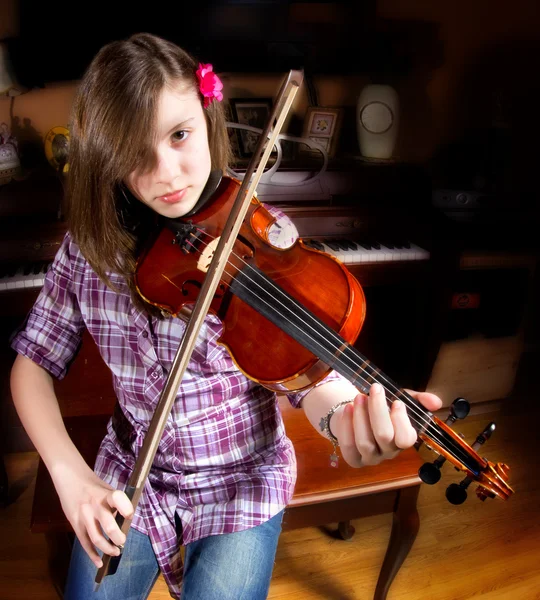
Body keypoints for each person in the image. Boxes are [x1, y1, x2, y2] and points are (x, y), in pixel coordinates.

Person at [9, 33, 442, 600]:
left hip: (243, 480)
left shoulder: (259, 232)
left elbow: (304, 375)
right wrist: (71, 477)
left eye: (181, 135)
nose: (168, 172)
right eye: (135, 152)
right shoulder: (88, 249)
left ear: (207, 120)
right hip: (132, 475)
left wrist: (345, 420)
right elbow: (30, 366)